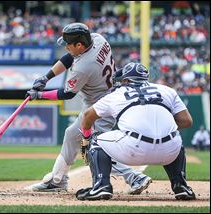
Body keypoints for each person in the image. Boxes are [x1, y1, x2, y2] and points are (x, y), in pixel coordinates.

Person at [25, 23, 152, 194]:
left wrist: (40, 95)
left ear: (79, 45)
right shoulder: (98, 39)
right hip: (102, 99)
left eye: (69, 44)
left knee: (96, 148)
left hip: (101, 107)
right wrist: (46, 78)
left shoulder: (83, 67)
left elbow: (68, 94)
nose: (66, 47)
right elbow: (69, 57)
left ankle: (134, 177)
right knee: (71, 135)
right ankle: (57, 180)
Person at [76, 62, 196, 200]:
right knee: (174, 137)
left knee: (95, 139)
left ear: (126, 80)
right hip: (169, 152)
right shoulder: (167, 90)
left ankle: (101, 186)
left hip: (134, 150)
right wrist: (159, 130)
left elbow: (87, 116)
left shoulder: (117, 94)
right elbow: (187, 121)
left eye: (122, 80)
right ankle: (181, 186)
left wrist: (86, 138)